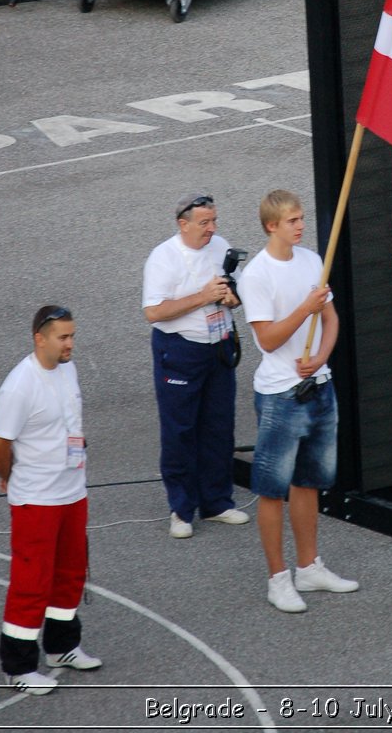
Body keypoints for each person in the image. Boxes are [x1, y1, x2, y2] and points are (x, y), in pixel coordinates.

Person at [238, 189, 359, 613]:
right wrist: (306, 307)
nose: (300, 225)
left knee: (308, 482)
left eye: (301, 218)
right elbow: (267, 339)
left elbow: (331, 318)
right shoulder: (256, 275)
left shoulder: (311, 262)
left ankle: (309, 567)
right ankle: (278, 578)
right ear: (272, 226)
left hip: (319, 386)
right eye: (292, 220)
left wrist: (323, 357)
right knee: (272, 490)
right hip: (279, 397)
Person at [0, 305, 102, 696]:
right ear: (40, 338)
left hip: (72, 491)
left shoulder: (67, 368)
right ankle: (18, 666)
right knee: (31, 581)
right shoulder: (20, 386)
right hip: (36, 499)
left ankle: (61, 646)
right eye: (63, 337)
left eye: (72, 336)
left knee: (70, 572)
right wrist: (9, 476)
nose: (71, 344)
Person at [142, 192, 250, 538]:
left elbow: (235, 296)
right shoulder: (163, 257)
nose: (212, 229)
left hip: (218, 346)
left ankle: (217, 502)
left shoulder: (220, 246)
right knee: (180, 429)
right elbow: (154, 312)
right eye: (204, 223)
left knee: (219, 425)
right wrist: (203, 297)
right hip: (179, 351)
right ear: (182, 224)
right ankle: (182, 509)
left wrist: (231, 297)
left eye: (214, 221)